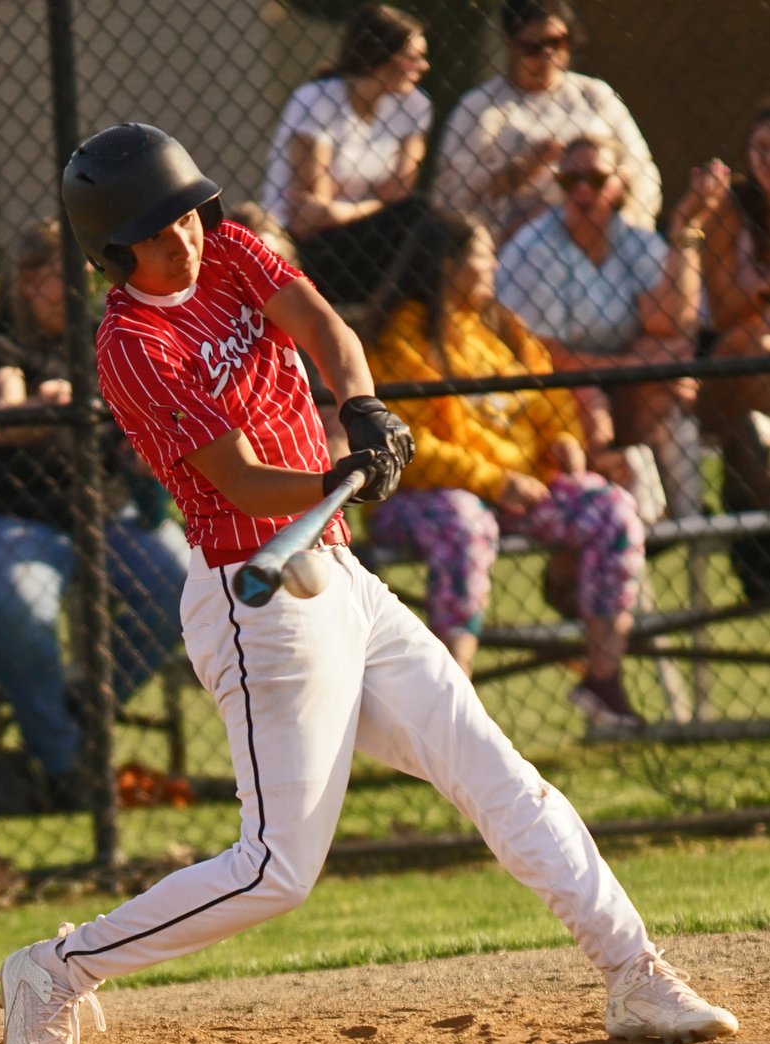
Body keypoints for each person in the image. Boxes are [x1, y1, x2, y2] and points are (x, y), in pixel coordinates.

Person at [0, 123, 737, 1044]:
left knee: (497, 773)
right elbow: (238, 482)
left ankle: (634, 973)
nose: (182, 236)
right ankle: (53, 970)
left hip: (338, 575)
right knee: (276, 871)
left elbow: (324, 329)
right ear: (113, 245)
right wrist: (339, 478)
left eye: (184, 214)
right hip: (253, 597)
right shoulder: (131, 345)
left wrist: (361, 410)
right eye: (156, 228)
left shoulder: (227, 249)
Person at [0, 218, 191, 811]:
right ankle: (67, 769)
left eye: (89, 276)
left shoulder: (99, 340)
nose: (85, 289)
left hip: (101, 517)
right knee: (24, 607)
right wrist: (49, 400)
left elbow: (138, 423)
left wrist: (140, 445)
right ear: (27, 281)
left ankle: (69, 716)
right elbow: (2, 421)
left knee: (180, 583)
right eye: (66, 276)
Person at [362, 209, 645, 725]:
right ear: (448, 266)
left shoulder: (500, 327)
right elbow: (410, 446)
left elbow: (548, 397)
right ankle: (452, 708)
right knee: (464, 522)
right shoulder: (402, 338)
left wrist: (562, 438)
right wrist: (493, 480)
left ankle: (603, 680)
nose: (494, 265)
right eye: (483, 254)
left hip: (517, 489)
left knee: (611, 509)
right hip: (424, 499)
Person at [496, 135, 729, 518]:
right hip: (546, 390)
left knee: (666, 392)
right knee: (591, 399)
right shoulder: (535, 248)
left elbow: (674, 324)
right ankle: (623, 520)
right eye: (571, 182)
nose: (583, 190)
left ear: (621, 185)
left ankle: (683, 527)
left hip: (617, 380)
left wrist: (687, 225)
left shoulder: (630, 238)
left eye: (597, 180)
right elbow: (543, 356)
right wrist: (636, 364)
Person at [431, 0, 661, 247]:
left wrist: (623, 225)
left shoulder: (594, 96)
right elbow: (449, 196)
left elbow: (641, 170)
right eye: (533, 47)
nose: (548, 54)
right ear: (509, 44)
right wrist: (521, 171)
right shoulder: (479, 107)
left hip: (599, 234)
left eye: (558, 42)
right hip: (512, 241)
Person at [261, 2, 432, 304]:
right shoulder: (318, 100)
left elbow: (400, 194)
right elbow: (309, 219)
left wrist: (346, 209)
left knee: (421, 216)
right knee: (415, 214)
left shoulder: (414, 106)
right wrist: (377, 203)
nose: (424, 67)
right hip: (305, 246)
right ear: (381, 55)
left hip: (362, 237)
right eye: (413, 58)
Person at [697, 106, 770, 521]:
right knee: (758, 340)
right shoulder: (732, 208)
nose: (768, 159)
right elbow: (726, 315)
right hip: (725, 365)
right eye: (760, 148)